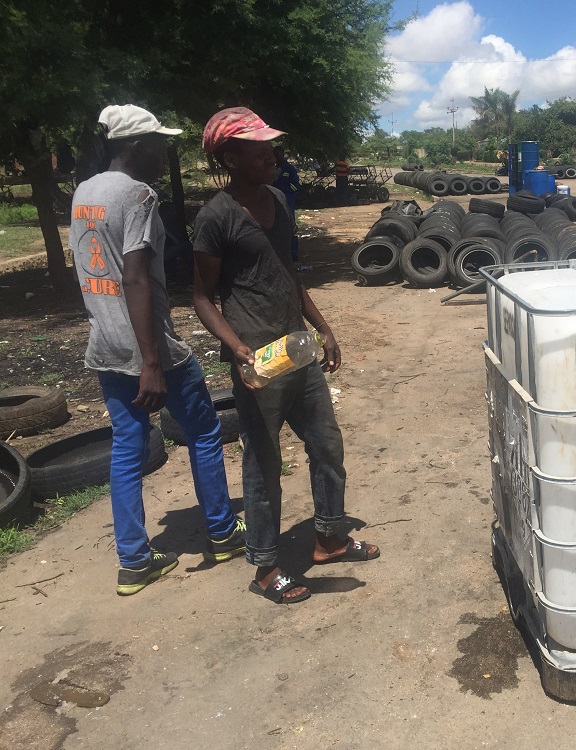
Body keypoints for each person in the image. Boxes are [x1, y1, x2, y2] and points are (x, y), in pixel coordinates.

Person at [192, 107, 379, 605]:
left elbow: (287, 272)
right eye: (258, 150)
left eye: (270, 146)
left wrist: (323, 327)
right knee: (264, 464)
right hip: (259, 359)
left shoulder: (278, 198)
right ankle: (264, 565)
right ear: (231, 158)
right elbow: (201, 296)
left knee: (327, 445)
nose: (271, 155)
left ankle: (329, 538)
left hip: (296, 346)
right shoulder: (216, 216)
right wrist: (236, 348)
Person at [69, 104, 245, 596]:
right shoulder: (139, 195)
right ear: (135, 145)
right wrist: (152, 361)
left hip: (103, 343)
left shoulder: (85, 191)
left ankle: (134, 560)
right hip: (148, 348)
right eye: (158, 140)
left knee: (127, 449)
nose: (164, 148)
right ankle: (223, 532)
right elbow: (135, 275)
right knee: (206, 432)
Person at [272, 146, 300, 261]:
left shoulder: (289, 169)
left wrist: (285, 190)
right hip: (273, 201)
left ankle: (293, 253)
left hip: (287, 200)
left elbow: (295, 185)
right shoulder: (271, 169)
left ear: (282, 154)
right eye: (275, 154)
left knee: (289, 226)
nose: (277, 157)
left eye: (279, 154)